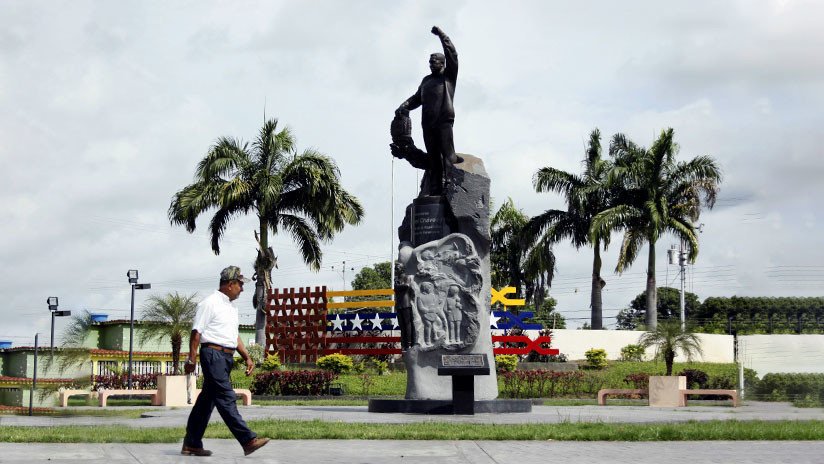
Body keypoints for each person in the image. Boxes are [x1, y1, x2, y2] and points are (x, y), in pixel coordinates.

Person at [181, 265, 270, 457]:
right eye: (239, 284)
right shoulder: (209, 303)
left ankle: (191, 443)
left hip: (226, 357)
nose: (242, 288)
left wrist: (246, 356)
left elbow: (233, 336)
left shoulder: (231, 307)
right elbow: (196, 332)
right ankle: (248, 440)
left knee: (206, 402)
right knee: (226, 396)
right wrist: (192, 358)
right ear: (229, 284)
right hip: (212, 355)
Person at [396, 26, 459, 195]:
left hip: (444, 122)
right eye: (429, 62)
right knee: (433, 158)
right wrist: (404, 106)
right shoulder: (426, 81)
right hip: (428, 124)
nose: (431, 64)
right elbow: (417, 98)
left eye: (434, 61)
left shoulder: (448, 77)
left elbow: (453, 54)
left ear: (442, 63)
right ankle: (435, 188)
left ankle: (451, 188)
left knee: (447, 155)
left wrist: (441, 35)